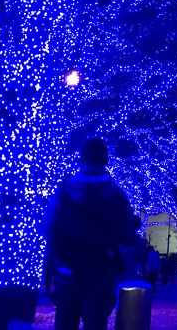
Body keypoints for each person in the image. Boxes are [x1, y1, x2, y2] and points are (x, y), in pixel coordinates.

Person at [45, 138, 134, 330]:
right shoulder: (117, 195)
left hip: (67, 268)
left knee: (65, 323)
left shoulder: (65, 190)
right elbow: (127, 235)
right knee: (95, 323)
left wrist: (55, 261)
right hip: (100, 269)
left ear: (82, 158)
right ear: (106, 159)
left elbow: (49, 227)